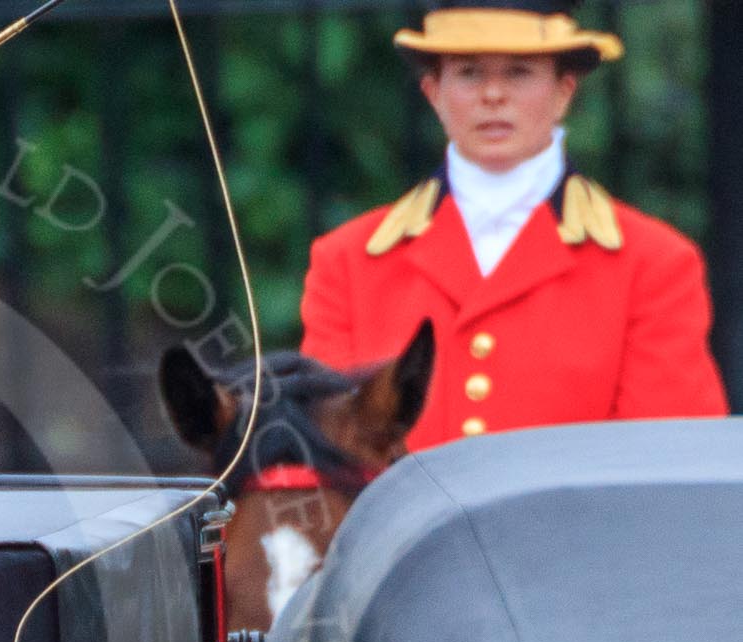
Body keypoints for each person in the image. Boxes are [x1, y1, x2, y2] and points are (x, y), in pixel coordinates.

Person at [300, 0, 726, 448]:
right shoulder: (346, 262)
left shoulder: (653, 264)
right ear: (432, 92)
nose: (493, 95)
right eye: (469, 73)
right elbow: (329, 463)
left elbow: (665, 464)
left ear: (565, 90)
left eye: (519, 72)